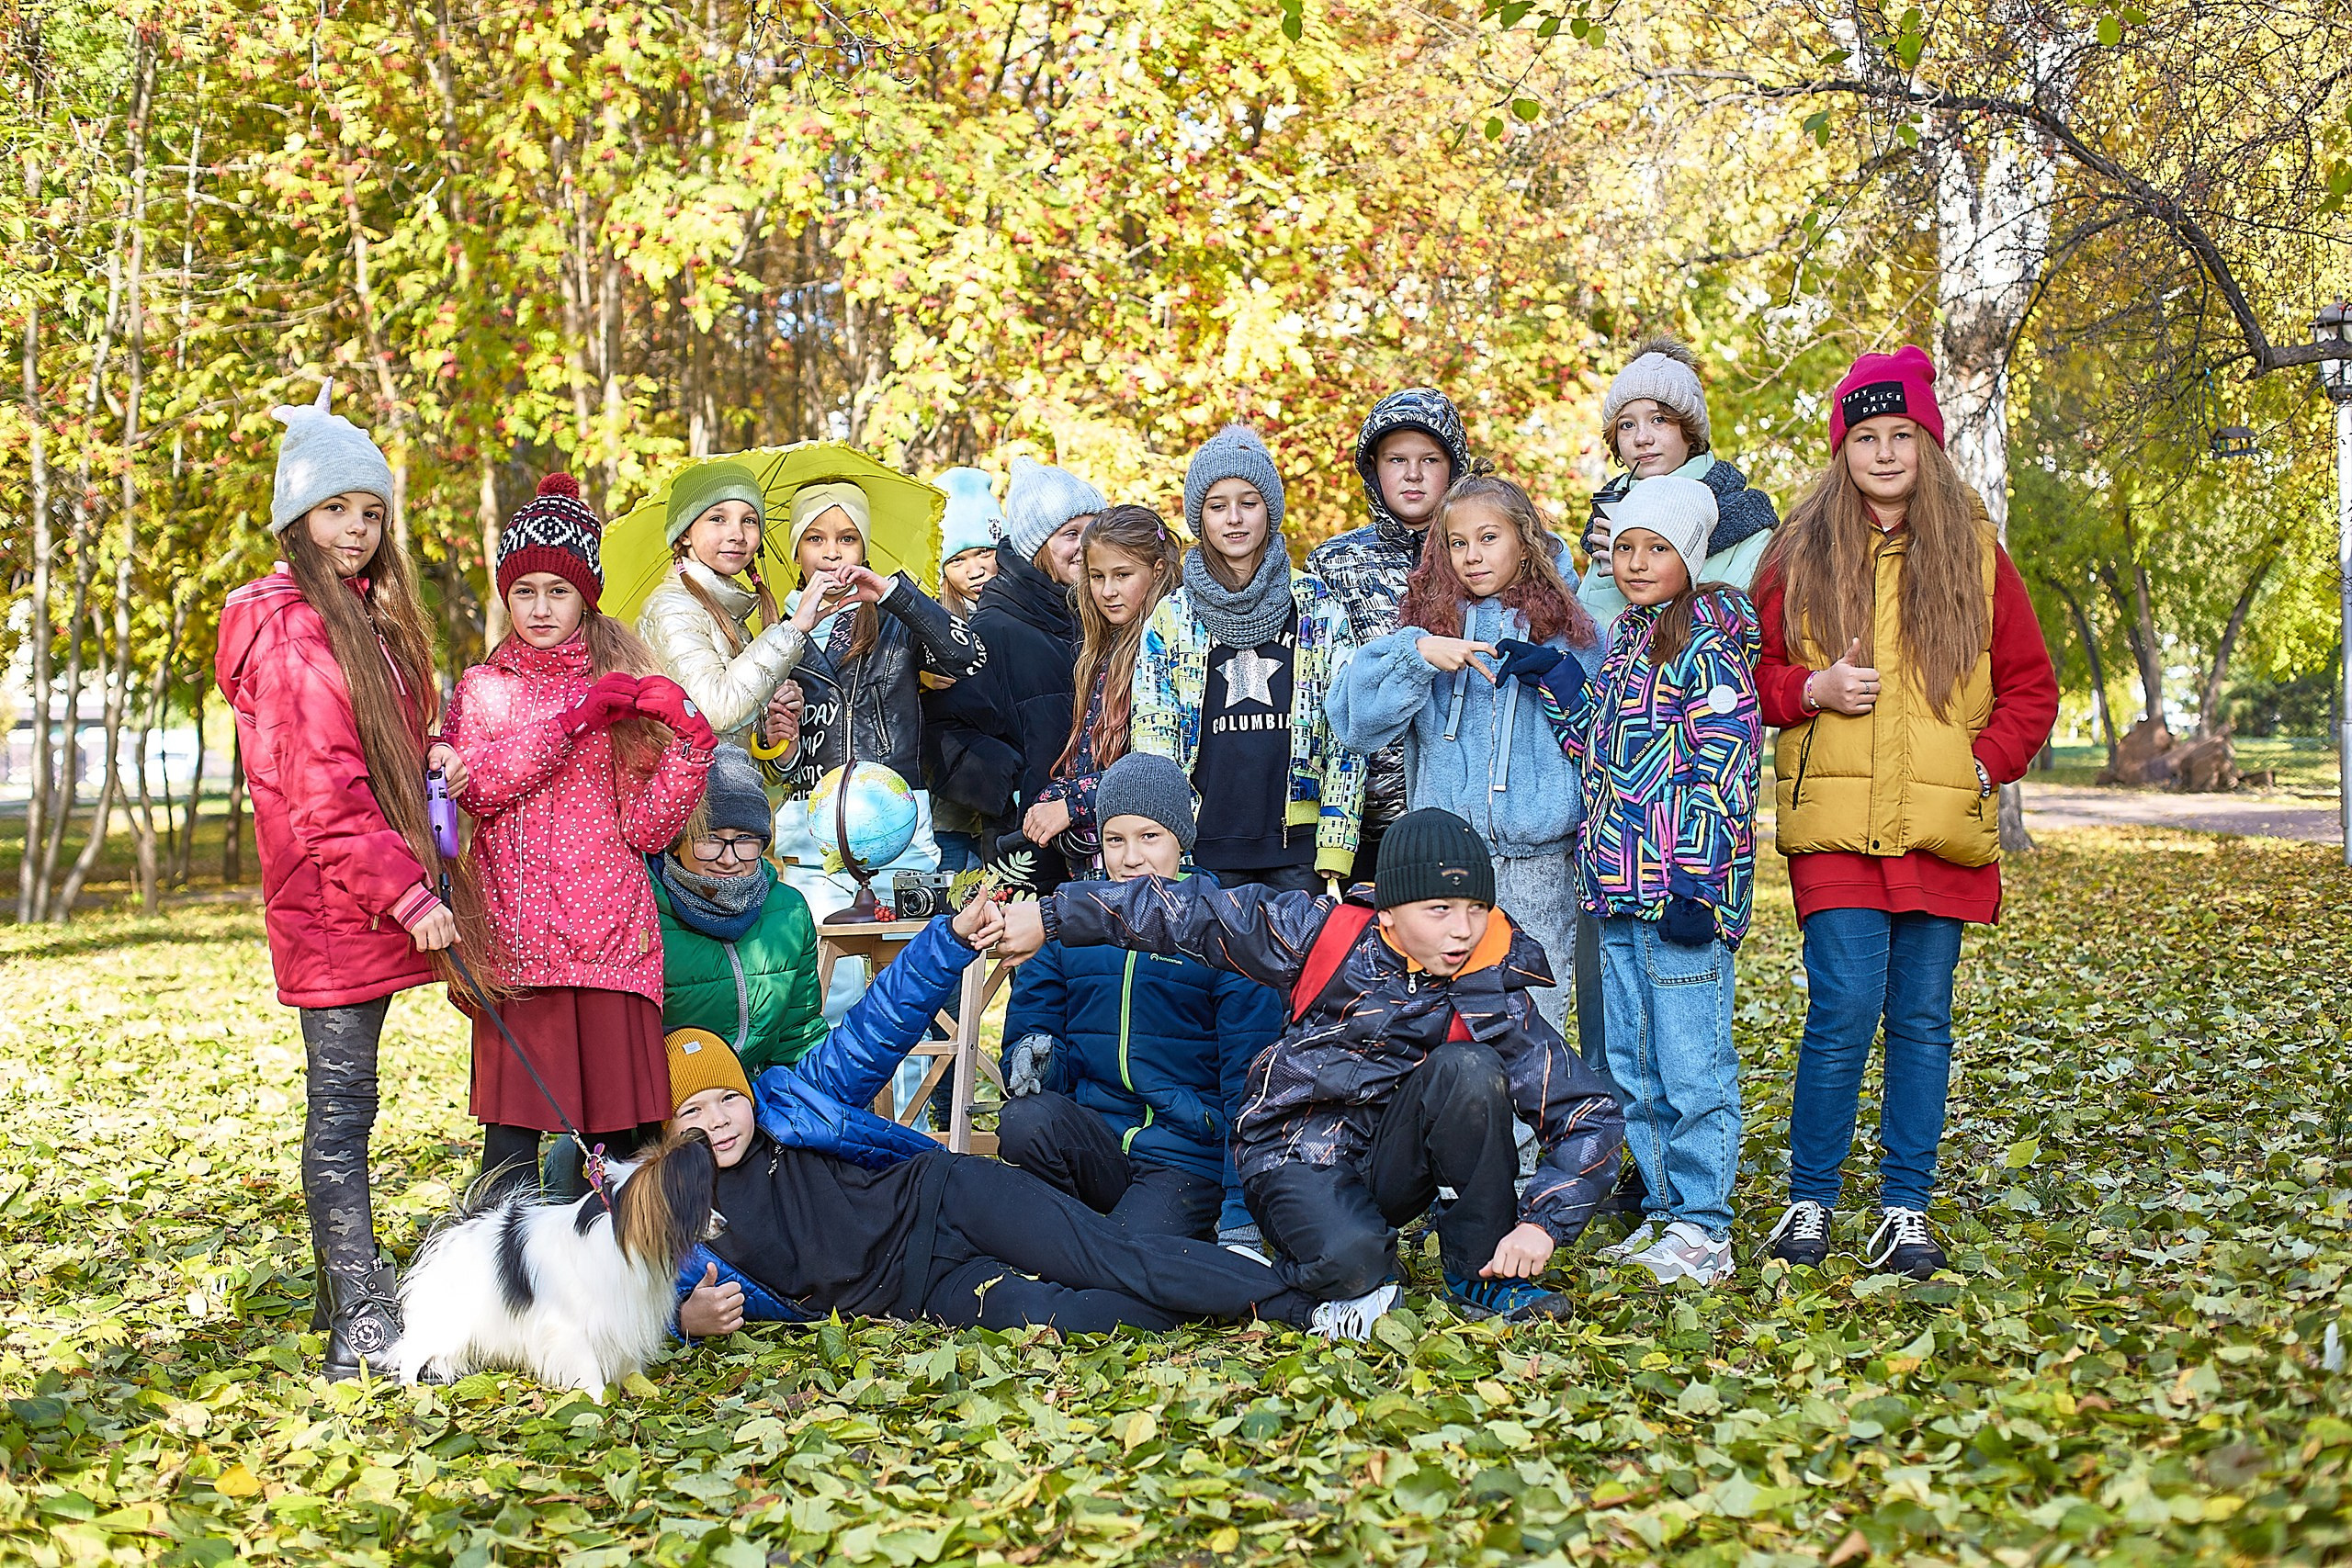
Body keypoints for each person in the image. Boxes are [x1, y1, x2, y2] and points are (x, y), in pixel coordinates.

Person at [995, 809, 1625, 1325]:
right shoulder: (1319, 934)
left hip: (1388, 1160)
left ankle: (1479, 1271)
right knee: (1352, 1266)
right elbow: (1186, 913)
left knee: (1471, 1070)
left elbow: (1587, 1111)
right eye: (1439, 909)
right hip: (1291, 1154)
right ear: (1389, 913)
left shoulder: (1491, 985)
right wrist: (1051, 916)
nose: (1460, 930)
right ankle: (1337, 1260)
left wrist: (1544, 1222)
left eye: (1473, 908)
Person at [664, 903, 1354, 1338]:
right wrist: (684, 1321)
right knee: (1078, 1316)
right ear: (666, 1131)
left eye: (728, 1098)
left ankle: (1308, 1303)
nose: (721, 1120)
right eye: (693, 1110)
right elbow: (601, 1297)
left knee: (1111, 1259)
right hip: (919, 1289)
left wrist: (951, 941)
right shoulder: (667, 1218)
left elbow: (879, 1025)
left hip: (946, 1198)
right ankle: (1235, 1301)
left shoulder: (794, 1103)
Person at [1751, 346, 2057, 1279]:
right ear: (1842, 450)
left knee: (1922, 1018)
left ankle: (1905, 1206)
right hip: (1836, 831)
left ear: (1927, 445)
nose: (1884, 454)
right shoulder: (1797, 554)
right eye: (1865, 437)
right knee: (1842, 1010)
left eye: (1901, 436)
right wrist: (1811, 687)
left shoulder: (1974, 553)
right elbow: (1750, 679)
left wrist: (1978, 766)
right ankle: (1809, 1200)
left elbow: (2031, 690)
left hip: (1939, 832)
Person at [216, 383, 486, 1379]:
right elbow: (320, 795)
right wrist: (410, 896)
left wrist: (437, 753)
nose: (359, 530)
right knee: (341, 1110)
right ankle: (360, 1321)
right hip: (339, 901)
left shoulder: (366, 618)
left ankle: (351, 1288)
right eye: (337, 511)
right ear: (297, 518)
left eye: (371, 512)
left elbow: (382, 746)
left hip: (372, 890)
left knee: (351, 1107)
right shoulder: (293, 631)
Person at [1503, 475, 1761, 1287]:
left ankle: (1706, 1225)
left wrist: (1697, 879)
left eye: (1656, 548)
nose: (1638, 561)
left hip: (1680, 898)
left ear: (1689, 555)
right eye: (1625, 547)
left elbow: (1725, 767)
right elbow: (1600, 749)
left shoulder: (1709, 647)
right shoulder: (1625, 644)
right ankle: (1663, 1213)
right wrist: (1555, 676)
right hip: (1615, 891)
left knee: (1690, 1063)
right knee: (1635, 1062)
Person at [443, 475, 717, 1201]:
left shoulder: (619, 682)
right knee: (509, 1149)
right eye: (524, 589)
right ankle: (501, 1294)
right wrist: (568, 723)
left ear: (585, 597)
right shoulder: (483, 688)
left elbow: (648, 826)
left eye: (557, 592)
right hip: (518, 949)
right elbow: (477, 785)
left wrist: (690, 744)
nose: (539, 607)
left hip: (609, 947)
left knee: (623, 1149)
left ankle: (636, 1288)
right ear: (506, 593)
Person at [1326, 474, 1600, 1034]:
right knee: (1447, 1031)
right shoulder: (1427, 627)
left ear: (1525, 542)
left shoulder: (1572, 633)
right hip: (1446, 866)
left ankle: (1527, 1129)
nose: (1472, 556)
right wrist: (1416, 655)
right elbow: (1352, 724)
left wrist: (1561, 680)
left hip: (1539, 866)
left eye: (1489, 538)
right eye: (1457, 542)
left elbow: (1606, 741)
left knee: (1532, 1029)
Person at [996, 753, 1281, 1242]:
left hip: (1183, 1157)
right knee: (1024, 1121)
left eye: (1150, 836)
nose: (1130, 858)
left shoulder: (1228, 931)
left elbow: (1251, 1086)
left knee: (1125, 1262)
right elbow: (1034, 1028)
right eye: (1114, 839)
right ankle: (1070, 1230)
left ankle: (1126, 1239)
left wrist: (1242, 1214)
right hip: (1097, 1144)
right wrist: (1033, 1056)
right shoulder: (1065, 927)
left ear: (1181, 840)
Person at [1134, 425, 1363, 896]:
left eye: (1249, 502)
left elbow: (1346, 732)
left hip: (1297, 850)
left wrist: (1336, 845)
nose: (1234, 519)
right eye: (1217, 506)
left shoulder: (1318, 606)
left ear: (1270, 510)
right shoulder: (1173, 616)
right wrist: (1164, 837)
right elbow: (1154, 735)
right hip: (1202, 846)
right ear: (1200, 517)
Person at [1306, 389, 1474, 883]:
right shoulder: (1335, 563)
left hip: (1465, 811)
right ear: (1373, 469)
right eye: (1396, 459)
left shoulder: (1484, 553)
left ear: (1455, 467)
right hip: (1365, 816)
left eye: (1430, 459)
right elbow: (1324, 690)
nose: (1414, 474)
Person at [922, 456, 1103, 888]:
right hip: (1027, 847)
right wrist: (1013, 784)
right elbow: (942, 732)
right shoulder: (992, 630)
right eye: (1069, 534)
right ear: (1036, 546)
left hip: (1105, 842)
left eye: (1092, 531)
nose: (1083, 546)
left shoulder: (1108, 618)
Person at [1017, 505, 1184, 871]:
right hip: (1099, 853)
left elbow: (1164, 767)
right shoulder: (1101, 646)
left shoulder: (1175, 644)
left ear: (1157, 571)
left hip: (1151, 859)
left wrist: (1071, 804)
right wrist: (1058, 794)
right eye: (1096, 577)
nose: (1108, 591)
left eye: (1122, 575)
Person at [637, 457, 829, 763]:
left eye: (749, 520)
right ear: (685, 533)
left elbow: (734, 745)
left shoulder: (730, 611)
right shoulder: (673, 607)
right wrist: (792, 631)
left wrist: (773, 728)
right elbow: (716, 711)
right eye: (718, 518)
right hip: (696, 804)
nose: (737, 534)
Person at [651, 745, 827, 1076]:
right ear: (676, 841)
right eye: (710, 839)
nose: (728, 859)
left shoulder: (788, 910)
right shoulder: (643, 913)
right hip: (674, 1099)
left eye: (745, 839)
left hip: (759, 1098)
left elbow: (798, 1034)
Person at [926, 467, 1006, 873]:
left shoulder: (1021, 614)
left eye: (984, 553)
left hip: (1007, 795)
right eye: (957, 559)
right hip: (951, 803)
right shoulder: (933, 622)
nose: (974, 569)